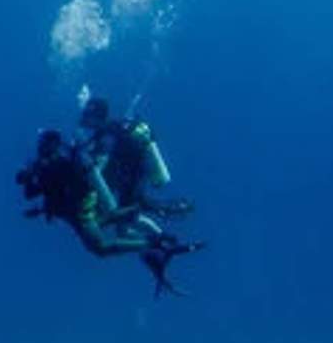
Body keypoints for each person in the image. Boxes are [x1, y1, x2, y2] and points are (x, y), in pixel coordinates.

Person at [16, 127, 203, 296]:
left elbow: (89, 185)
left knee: (101, 247)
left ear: (56, 146)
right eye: (42, 147)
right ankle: (154, 225)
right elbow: (34, 193)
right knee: (112, 222)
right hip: (76, 213)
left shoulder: (71, 160)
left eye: (48, 147)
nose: (44, 152)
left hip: (83, 212)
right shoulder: (44, 165)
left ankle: (155, 239)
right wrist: (29, 178)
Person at [76, 96, 193, 231]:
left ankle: (165, 229)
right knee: (131, 213)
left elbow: (102, 161)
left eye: (86, 114)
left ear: (95, 116)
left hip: (133, 172)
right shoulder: (109, 129)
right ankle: (168, 217)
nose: (82, 117)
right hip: (130, 172)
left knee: (130, 215)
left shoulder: (107, 133)